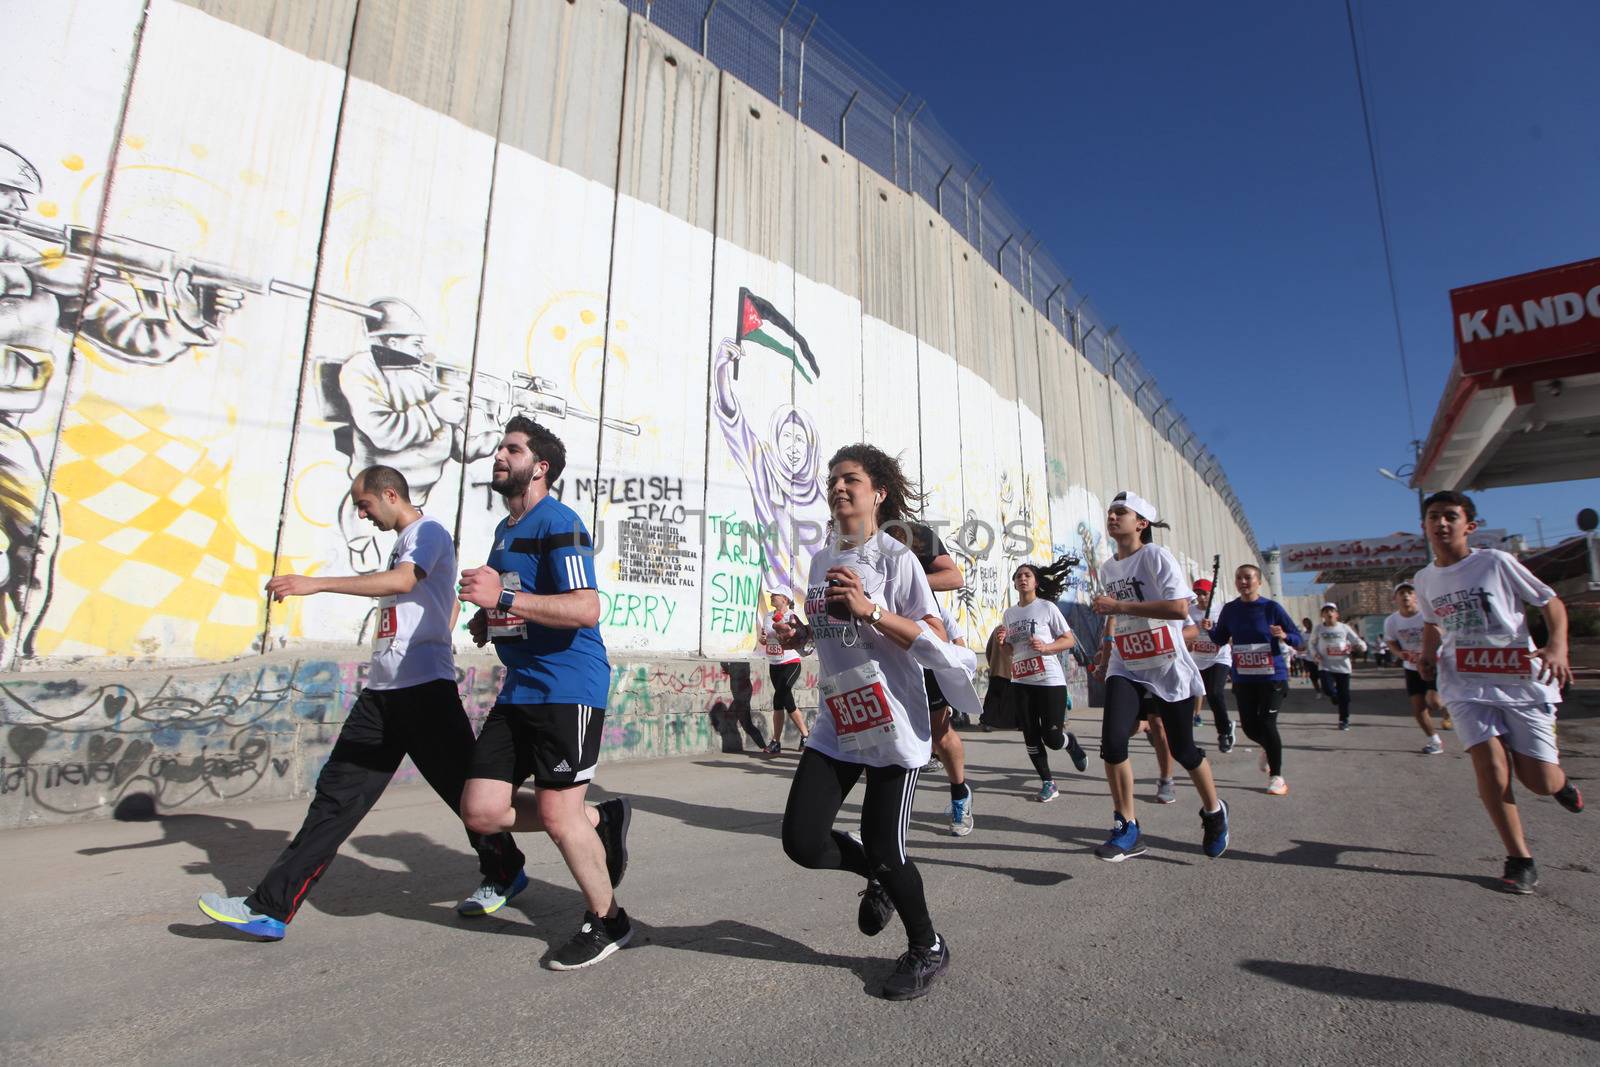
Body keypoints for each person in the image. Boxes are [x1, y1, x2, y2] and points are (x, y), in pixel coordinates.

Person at [195, 466, 526, 940]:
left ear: (390, 494)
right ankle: (269, 909)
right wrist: (439, 624)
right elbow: (436, 599)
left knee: (467, 796)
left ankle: (507, 869)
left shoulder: (426, 533)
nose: (361, 513)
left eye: (364, 504)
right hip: (383, 694)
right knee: (335, 800)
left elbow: (404, 582)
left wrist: (315, 583)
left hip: (424, 694)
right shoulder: (408, 538)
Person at [456, 418, 633, 970]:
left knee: (558, 814)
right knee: (481, 811)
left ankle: (608, 921)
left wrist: (504, 597)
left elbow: (586, 607)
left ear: (542, 467)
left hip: (567, 686)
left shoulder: (561, 522)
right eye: (499, 448)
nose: (499, 457)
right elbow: (516, 603)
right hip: (521, 689)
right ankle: (599, 821)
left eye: (513, 449)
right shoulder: (505, 530)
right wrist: (491, 620)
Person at [777, 444, 952, 1000]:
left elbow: (937, 639)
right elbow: (828, 632)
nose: (838, 487)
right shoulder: (821, 559)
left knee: (887, 844)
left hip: (892, 725)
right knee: (802, 842)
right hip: (838, 717)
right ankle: (872, 876)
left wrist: (872, 610)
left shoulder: (897, 560)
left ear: (877, 493)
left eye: (850, 479)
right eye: (832, 480)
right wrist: (800, 637)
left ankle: (928, 946)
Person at [1414, 491, 1583, 894]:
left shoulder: (1495, 562)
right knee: (1490, 766)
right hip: (1465, 683)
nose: (1441, 524)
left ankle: (1560, 785)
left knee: (1538, 780)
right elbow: (1433, 622)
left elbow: (1550, 602)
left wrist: (1558, 646)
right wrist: (1427, 653)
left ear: (1469, 526)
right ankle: (1519, 857)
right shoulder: (1424, 579)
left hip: (1520, 680)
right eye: (1433, 516)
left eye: (1450, 516)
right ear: (1425, 525)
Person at [1089, 491, 1230, 862]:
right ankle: (1127, 826)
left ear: (1142, 523)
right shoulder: (1108, 568)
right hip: (1127, 662)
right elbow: (1116, 614)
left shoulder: (1155, 557)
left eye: (1122, 512)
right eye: (1110, 512)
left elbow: (1179, 608)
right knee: (1113, 742)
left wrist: (1118, 605)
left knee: (1183, 749)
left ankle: (1214, 813)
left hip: (1166, 665)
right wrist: (1107, 644)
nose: (1113, 517)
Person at [1207, 564, 1303, 796]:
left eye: (1248, 578)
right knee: (1250, 727)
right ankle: (1269, 747)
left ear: (1258, 581)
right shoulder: (1230, 610)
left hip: (1272, 677)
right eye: (1239, 578)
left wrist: (1284, 636)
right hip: (1244, 678)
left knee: (1268, 724)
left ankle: (1277, 777)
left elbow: (1299, 639)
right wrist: (1210, 630)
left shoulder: (1271, 608)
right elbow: (1220, 639)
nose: (1243, 582)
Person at [907, 521, 974, 835]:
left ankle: (960, 792)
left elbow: (954, 576)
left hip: (922, 643)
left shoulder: (910, 532)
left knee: (939, 731)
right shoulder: (851, 540)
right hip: (878, 647)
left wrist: (910, 580)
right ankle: (884, 823)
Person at [1003, 558, 1088, 803]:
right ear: (1015, 583)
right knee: (1030, 733)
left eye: (1027, 575)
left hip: (1049, 680)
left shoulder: (1047, 608)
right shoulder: (1009, 614)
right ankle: (1048, 782)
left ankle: (1069, 743)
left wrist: (1047, 647)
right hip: (1021, 679)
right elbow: (1012, 651)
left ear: (1035, 582)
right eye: (1018, 575)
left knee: (1051, 738)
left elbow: (1068, 640)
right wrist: (1004, 644)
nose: (1022, 578)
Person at [1384, 581, 1447, 755]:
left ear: (1416, 597)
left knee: (1434, 702)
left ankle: (1448, 708)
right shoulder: (1392, 621)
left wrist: (1430, 652)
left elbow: (1443, 633)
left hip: (1434, 664)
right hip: (1411, 667)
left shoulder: (1428, 615)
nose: (1405, 596)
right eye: (1401, 593)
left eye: (1409, 593)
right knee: (1418, 708)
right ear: (1395, 599)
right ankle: (1434, 741)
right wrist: (1399, 654)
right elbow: (1390, 641)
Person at [1186, 578, 1235, 752]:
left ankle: (1224, 733)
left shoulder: (1221, 610)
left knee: (1215, 693)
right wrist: (1188, 643)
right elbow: (1183, 633)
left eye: (1204, 594)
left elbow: (1230, 638)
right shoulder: (1189, 611)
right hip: (1197, 659)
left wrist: (1212, 629)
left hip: (1218, 658)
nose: (1200, 598)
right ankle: (1185, 739)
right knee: (1188, 697)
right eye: (1197, 594)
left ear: (1211, 594)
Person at [760, 591, 809, 755]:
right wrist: (763, 638)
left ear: (785, 599)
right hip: (774, 663)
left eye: (776, 594)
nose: (772, 597)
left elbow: (797, 633)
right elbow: (764, 639)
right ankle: (804, 736)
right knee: (784, 701)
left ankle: (776, 741)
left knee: (780, 695)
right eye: (771, 594)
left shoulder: (792, 616)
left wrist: (779, 626)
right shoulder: (768, 616)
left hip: (791, 662)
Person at [1310, 603, 1365, 729]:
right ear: (1322, 615)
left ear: (1336, 614)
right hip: (1325, 665)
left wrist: (1361, 646)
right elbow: (1311, 644)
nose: (1329, 613)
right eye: (1326, 611)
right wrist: (1315, 655)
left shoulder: (1344, 628)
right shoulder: (1318, 629)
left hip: (1343, 666)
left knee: (1344, 695)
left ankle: (1344, 719)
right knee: (1328, 689)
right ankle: (1335, 696)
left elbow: (1356, 640)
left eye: (1331, 610)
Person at [981, 624, 1017, 730]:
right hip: (1012, 670)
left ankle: (987, 722)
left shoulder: (998, 628)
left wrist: (992, 663)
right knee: (1014, 699)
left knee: (993, 699)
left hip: (996, 669)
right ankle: (1016, 723)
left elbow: (988, 649)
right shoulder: (1016, 629)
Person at [1300, 618, 1322, 692]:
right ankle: (1318, 691)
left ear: (1310, 623)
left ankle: (1325, 687)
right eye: (1304, 623)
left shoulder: (1316, 632)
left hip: (1319, 657)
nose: (1306, 624)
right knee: (1313, 676)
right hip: (1308, 658)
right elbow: (1302, 646)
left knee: (1322, 674)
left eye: (1307, 623)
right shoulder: (1303, 635)